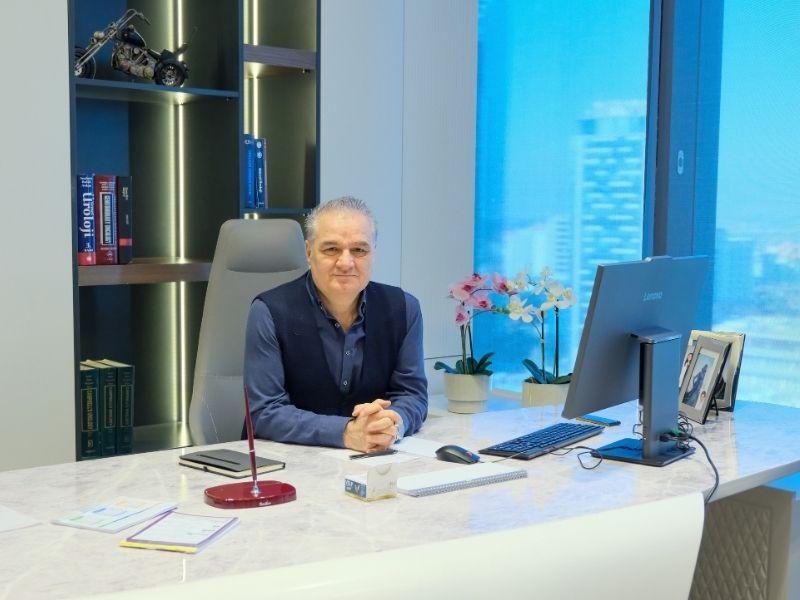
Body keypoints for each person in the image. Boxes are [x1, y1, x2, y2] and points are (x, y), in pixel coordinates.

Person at [244, 196, 428, 453]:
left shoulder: (404, 309)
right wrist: (346, 432)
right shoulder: (269, 311)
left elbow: (412, 395)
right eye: (331, 249)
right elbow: (264, 412)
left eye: (359, 250)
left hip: (375, 462)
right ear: (309, 252)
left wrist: (392, 423)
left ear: (374, 252)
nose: (346, 262)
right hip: (289, 462)